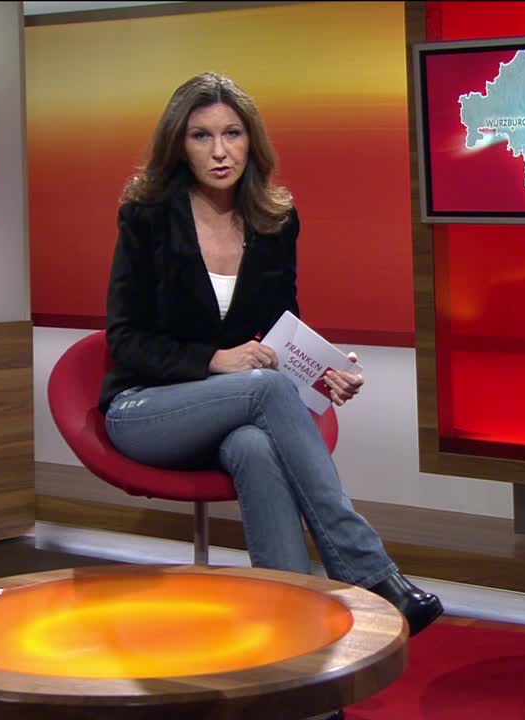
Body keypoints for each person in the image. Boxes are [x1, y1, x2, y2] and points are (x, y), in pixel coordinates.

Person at [98, 72, 444, 642]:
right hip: (145, 409)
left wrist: (322, 370)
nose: (219, 151)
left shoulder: (274, 221)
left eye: (232, 134)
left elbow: (282, 331)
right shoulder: (147, 216)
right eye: (201, 136)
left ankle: (294, 635)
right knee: (265, 388)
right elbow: (125, 338)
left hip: (231, 414)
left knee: (255, 445)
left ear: (251, 141)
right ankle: (369, 572)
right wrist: (215, 360)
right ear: (179, 145)